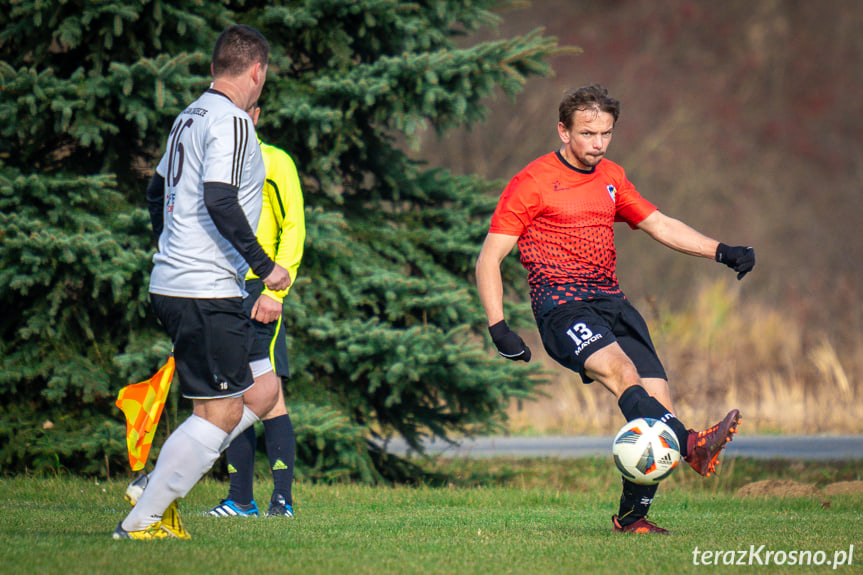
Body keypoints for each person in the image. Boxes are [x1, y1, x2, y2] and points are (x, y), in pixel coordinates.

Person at [475, 84, 755, 534]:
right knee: (623, 373)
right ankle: (691, 444)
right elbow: (489, 258)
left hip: (613, 304)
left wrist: (721, 251)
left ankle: (632, 517)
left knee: (657, 405)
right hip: (562, 307)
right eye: (588, 133)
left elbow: (658, 223)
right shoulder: (532, 182)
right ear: (563, 130)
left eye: (606, 133)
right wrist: (498, 327)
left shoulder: (612, 177)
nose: (598, 144)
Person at [114, 24, 292, 540]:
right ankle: (144, 517)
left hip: (186, 283)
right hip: (204, 289)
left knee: (261, 390)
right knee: (221, 411)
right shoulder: (234, 122)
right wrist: (264, 265)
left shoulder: (188, 117)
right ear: (257, 70)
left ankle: (155, 483)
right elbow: (219, 198)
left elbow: (155, 192)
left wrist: (170, 250)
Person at [206, 103, 305, 519]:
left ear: (257, 115)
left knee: (268, 396)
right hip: (219, 291)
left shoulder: (275, 162)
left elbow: (293, 227)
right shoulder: (214, 164)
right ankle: (240, 500)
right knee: (231, 391)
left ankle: (281, 501)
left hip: (259, 292)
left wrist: (274, 293)